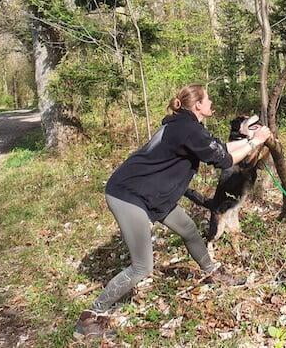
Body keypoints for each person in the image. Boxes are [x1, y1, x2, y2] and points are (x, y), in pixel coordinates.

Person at [74, 84, 272, 339]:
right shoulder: (187, 128)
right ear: (198, 105)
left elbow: (219, 150)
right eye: (208, 99)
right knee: (142, 267)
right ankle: (91, 316)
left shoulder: (188, 126)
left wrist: (248, 140)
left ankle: (213, 272)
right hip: (128, 195)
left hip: (153, 194)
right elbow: (224, 160)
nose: (211, 102)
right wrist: (256, 140)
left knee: (189, 229)